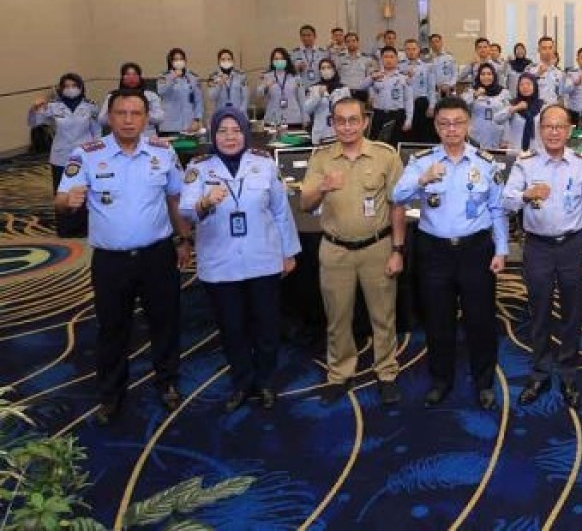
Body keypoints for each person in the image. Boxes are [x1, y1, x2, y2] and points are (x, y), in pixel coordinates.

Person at [55, 89, 193, 424]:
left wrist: (185, 239)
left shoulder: (163, 151)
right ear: (109, 117)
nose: (129, 120)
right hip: (110, 261)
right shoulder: (86, 154)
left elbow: (175, 199)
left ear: (146, 118)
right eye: (121, 113)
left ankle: (167, 383)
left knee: (165, 321)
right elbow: (60, 200)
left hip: (157, 255)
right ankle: (111, 394)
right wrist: (68, 201)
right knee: (112, 327)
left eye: (136, 113)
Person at [180, 107, 300, 412]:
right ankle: (242, 382)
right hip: (221, 264)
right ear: (213, 134)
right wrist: (205, 202)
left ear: (245, 133)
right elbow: (186, 211)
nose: (229, 137)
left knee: (266, 326)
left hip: (263, 259)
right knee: (232, 328)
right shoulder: (198, 167)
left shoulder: (263, 164)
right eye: (222, 131)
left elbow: (280, 212)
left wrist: (289, 252)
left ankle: (265, 382)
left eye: (236, 130)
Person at [391, 96, 509, 409]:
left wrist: (502, 249)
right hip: (434, 252)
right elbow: (397, 196)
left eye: (457, 123)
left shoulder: (486, 163)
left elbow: (498, 209)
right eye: (444, 124)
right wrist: (422, 179)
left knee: (480, 319)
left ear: (468, 124)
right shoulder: (422, 161)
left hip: (476, 250)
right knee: (438, 320)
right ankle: (441, 380)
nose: (451, 129)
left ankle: (483, 382)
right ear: (436, 126)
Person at [300, 96, 405, 406]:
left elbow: (398, 205)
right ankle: (340, 373)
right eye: (340, 120)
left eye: (353, 120)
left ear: (365, 121)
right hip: (335, 251)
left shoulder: (386, 156)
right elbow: (305, 204)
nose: (346, 126)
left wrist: (398, 249)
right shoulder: (321, 158)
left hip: (378, 246)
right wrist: (322, 188)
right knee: (337, 316)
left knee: (383, 315)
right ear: (332, 123)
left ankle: (386, 371)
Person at [502, 105, 582, 408]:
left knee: (573, 311)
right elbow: (505, 202)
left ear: (570, 130)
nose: (555, 132)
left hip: (574, 244)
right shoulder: (526, 164)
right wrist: (525, 195)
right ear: (540, 130)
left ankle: (569, 371)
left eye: (561, 126)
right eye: (549, 126)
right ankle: (540, 370)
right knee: (539, 310)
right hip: (538, 247)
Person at [28, 73, 101, 237]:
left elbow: (96, 130)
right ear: (61, 89)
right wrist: (34, 108)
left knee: (84, 191)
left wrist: (97, 152)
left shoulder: (90, 106)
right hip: (61, 156)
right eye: (66, 86)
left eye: (74, 85)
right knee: (63, 192)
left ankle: (85, 227)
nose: (70, 89)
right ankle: (66, 228)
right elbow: (35, 122)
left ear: (81, 87)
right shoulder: (54, 106)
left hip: (85, 155)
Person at [366, 45, 414, 145]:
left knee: (394, 145)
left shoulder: (403, 78)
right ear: (381, 59)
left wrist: (409, 119)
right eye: (386, 57)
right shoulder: (376, 75)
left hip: (396, 115)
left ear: (397, 59)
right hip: (379, 114)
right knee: (376, 145)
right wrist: (372, 78)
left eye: (392, 57)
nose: (389, 60)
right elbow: (361, 86)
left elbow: (408, 100)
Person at [99, 63, 164, 133]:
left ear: (140, 77)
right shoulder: (113, 96)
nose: (131, 77)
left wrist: (140, 113)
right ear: (122, 78)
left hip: (146, 136)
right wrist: (118, 115)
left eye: (135, 74)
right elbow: (101, 120)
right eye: (127, 74)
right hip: (120, 135)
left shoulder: (151, 95)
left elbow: (159, 118)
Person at [155, 48, 204, 135]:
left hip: (189, 125)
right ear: (170, 61)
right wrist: (173, 76)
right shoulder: (164, 76)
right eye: (176, 59)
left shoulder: (193, 77)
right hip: (169, 126)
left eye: (181, 59)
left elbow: (198, 101)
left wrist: (197, 119)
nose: (179, 61)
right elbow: (161, 91)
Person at [305, 58, 351, 145]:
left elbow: (348, 109)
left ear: (334, 70)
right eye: (323, 68)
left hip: (338, 133)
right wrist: (318, 95)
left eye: (329, 67)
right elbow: (307, 109)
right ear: (319, 71)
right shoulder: (314, 88)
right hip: (320, 134)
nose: (326, 70)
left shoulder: (344, 89)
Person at [463, 63, 509, 150]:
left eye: (489, 74)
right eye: (483, 74)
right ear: (478, 76)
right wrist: (475, 95)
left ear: (494, 76)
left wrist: (506, 138)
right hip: (476, 135)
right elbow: (462, 105)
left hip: (497, 135)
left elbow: (507, 117)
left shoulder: (503, 92)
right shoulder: (471, 91)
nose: (486, 77)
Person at [398, 38, 435, 143]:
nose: (411, 51)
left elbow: (431, 88)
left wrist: (432, 106)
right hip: (404, 104)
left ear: (418, 50)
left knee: (422, 133)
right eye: (408, 49)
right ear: (404, 51)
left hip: (421, 102)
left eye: (413, 49)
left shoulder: (427, 67)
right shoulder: (399, 66)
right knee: (407, 133)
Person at [498, 72, 543, 152]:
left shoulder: (542, 106)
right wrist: (516, 108)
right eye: (521, 85)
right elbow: (497, 119)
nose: (525, 87)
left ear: (535, 86)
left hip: (537, 152)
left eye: (528, 84)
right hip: (516, 151)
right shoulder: (513, 104)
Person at [207, 49, 249, 118]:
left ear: (233, 61)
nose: (226, 61)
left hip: (239, 114)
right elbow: (212, 97)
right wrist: (219, 84)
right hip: (221, 115)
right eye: (223, 59)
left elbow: (245, 97)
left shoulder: (241, 75)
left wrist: (241, 113)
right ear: (218, 62)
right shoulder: (213, 77)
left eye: (229, 59)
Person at [336, 32, 376, 102]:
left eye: (353, 41)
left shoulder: (366, 59)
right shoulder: (340, 58)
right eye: (348, 41)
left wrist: (371, 95)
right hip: (345, 92)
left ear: (358, 42)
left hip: (361, 92)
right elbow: (337, 75)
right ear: (345, 44)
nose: (351, 43)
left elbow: (370, 78)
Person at [530, 36, 566, 104]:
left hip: (553, 110)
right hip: (536, 111)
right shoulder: (530, 69)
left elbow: (561, 96)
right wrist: (538, 74)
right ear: (538, 50)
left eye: (550, 48)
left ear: (553, 50)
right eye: (544, 48)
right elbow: (524, 91)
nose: (547, 51)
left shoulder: (559, 73)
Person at [292, 24, 329, 88]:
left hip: (318, 88)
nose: (306, 38)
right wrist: (296, 69)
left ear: (315, 36)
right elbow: (290, 72)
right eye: (303, 35)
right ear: (300, 37)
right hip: (301, 88)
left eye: (309, 35)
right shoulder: (294, 53)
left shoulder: (323, 53)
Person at [428, 33, 458, 101]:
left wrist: (449, 85)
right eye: (432, 42)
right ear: (430, 44)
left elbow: (455, 73)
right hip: (434, 91)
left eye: (437, 41)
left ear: (441, 42)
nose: (435, 44)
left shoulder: (449, 57)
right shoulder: (428, 59)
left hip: (449, 89)